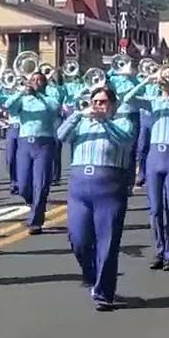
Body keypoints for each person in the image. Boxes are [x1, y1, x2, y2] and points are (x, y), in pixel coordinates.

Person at [57, 84, 135, 310]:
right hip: (79, 186)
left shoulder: (122, 122)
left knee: (108, 243)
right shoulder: (82, 122)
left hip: (109, 187)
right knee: (78, 238)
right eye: (95, 102)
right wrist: (78, 115)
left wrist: (105, 122)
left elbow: (126, 140)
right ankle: (91, 275)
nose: (98, 106)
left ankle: (104, 293)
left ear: (113, 105)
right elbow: (61, 135)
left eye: (103, 102)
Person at [122, 67, 169, 270]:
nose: (165, 79)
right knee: (155, 209)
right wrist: (147, 80)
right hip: (154, 155)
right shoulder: (153, 101)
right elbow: (128, 99)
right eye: (164, 76)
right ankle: (159, 250)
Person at [1, 72, 61, 235]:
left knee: (41, 184)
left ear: (44, 84)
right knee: (23, 185)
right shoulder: (23, 99)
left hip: (44, 143)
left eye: (38, 80)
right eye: (32, 80)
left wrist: (39, 95)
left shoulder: (49, 99)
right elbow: (8, 105)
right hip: (24, 142)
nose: (35, 82)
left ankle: (36, 221)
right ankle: (33, 203)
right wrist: (21, 91)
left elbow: (55, 108)